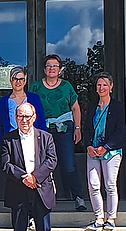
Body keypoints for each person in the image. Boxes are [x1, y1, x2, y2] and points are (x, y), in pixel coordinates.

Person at [1, 103, 58, 231]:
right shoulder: (8, 139)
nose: (24, 120)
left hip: (41, 190)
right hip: (19, 191)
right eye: (20, 116)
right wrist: (24, 178)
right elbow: (5, 164)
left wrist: (35, 177)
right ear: (15, 118)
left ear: (34, 117)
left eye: (27, 116)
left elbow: (52, 160)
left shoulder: (46, 137)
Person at [30, 54, 86, 211]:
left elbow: (75, 108)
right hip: (42, 129)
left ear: (60, 70)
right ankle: (42, 200)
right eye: (49, 65)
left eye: (55, 66)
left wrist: (77, 128)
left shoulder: (66, 86)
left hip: (64, 129)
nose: (51, 68)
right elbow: (30, 107)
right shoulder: (36, 87)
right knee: (42, 164)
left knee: (68, 164)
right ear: (44, 69)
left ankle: (78, 197)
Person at [83, 73, 126, 230]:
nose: (101, 88)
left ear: (111, 86)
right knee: (93, 184)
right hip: (93, 151)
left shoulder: (118, 106)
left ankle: (111, 218)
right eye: (99, 85)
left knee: (110, 184)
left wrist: (106, 147)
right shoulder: (93, 106)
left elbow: (120, 130)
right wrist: (88, 145)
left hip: (111, 152)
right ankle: (99, 217)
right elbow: (87, 128)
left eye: (105, 85)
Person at [0, 66, 46, 147]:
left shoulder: (34, 99)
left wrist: (42, 142)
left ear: (25, 81)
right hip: (11, 142)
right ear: (11, 81)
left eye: (21, 79)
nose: (18, 82)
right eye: (15, 79)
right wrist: (2, 144)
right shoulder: (4, 101)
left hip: (32, 141)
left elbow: (41, 122)